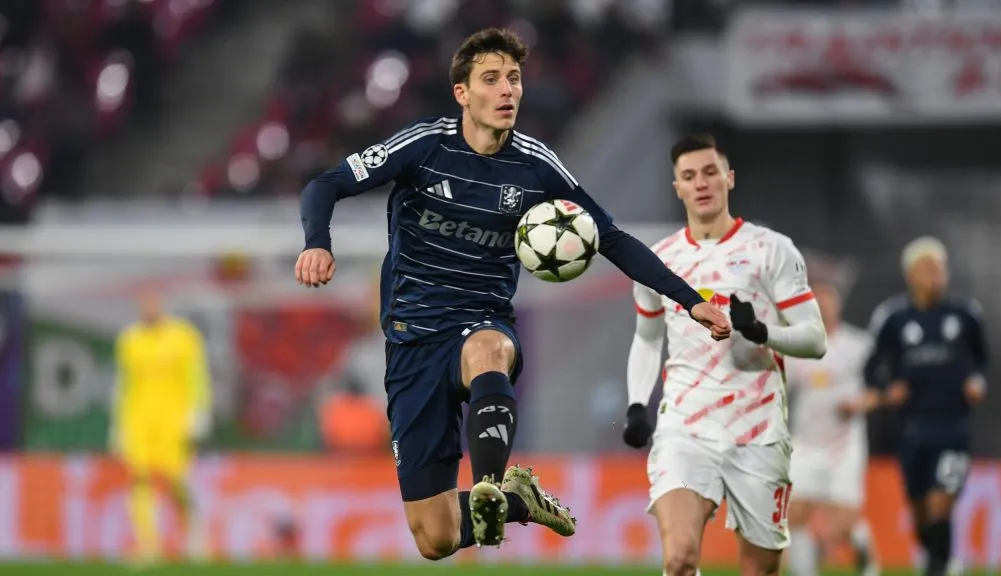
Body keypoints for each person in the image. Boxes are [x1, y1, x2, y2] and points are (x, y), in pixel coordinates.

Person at [294, 28, 731, 561]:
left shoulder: (536, 165)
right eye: (492, 79)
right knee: (434, 537)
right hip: (411, 341)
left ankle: (491, 485)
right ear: (462, 92)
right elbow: (324, 185)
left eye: (515, 78)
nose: (507, 90)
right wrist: (317, 243)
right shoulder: (424, 147)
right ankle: (518, 500)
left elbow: (611, 238)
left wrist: (691, 299)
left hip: (482, 321)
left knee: (487, 350)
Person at [621, 134, 827, 576]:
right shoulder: (658, 260)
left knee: (760, 569)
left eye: (710, 172)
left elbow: (815, 339)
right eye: (689, 176)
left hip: (758, 430)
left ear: (729, 178)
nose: (701, 183)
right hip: (684, 425)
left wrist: (761, 332)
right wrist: (637, 405)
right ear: (677, 187)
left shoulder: (771, 249)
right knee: (679, 558)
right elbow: (648, 338)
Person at [863, 236, 987, 576]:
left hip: (953, 427)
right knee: (920, 510)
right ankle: (942, 560)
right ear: (911, 274)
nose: (936, 275)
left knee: (940, 502)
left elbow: (981, 359)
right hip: (911, 429)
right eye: (928, 268)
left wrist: (977, 381)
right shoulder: (893, 317)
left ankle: (938, 568)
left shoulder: (965, 315)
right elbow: (871, 367)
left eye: (940, 268)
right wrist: (887, 390)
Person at [109, 288, 212, 565]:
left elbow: (197, 378)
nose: (149, 307)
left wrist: (198, 415)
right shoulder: (130, 339)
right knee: (139, 480)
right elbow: (123, 384)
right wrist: (118, 425)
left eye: (153, 301)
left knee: (178, 481)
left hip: (174, 422)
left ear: (163, 304)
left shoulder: (183, 337)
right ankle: (148, 545)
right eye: (145, 302)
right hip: (138, 421)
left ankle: (194, 538)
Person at [785, 275, 879, 576]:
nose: (824, 306)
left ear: (838, 304)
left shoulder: (859, 345)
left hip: (844, 445)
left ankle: (861, 544)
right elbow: (779, 387)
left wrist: (861, 403)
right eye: (817, 301)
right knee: (793, 514)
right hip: (806, 443)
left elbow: (880, 388)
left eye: (829, 300)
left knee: (841, 525)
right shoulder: (797, 345)